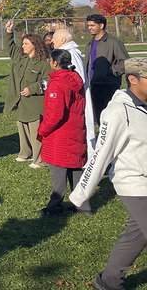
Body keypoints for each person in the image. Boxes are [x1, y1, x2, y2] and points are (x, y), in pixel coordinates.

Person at [69, 57, 147, 290]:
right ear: (132, 79)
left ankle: (109, 281)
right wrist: (80, 194)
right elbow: (100, 155)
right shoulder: (116, 112)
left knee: (137, 234)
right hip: (134, 184)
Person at [35, 49, 90, 217]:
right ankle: (83, 204)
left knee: (59, 171)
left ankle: (55, 207)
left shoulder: (57, 84)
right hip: (75, 130)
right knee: (75, 168)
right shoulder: (75, 79)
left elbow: (55, 115)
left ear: (55, 62)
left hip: (60, 134)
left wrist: (41, 130)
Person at [3, 20, 51, 168]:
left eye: (26, 44)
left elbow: (49, 81)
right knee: (22, 126)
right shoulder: (20, 58)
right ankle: (25, 153)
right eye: (23, 43)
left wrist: (33, 89)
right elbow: (9, 47)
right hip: (21, 102)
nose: (22, 46)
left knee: (36, 131)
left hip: (35, 104)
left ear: (35, 46)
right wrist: (9, 32)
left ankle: (39, 159)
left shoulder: (43, 63)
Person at [52, 28, 96, 153]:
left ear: (63, 40)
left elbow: (79, 78)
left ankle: (89, 159)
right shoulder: (65, 52)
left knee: (84, 126)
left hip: (77, 96)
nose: (52, 42)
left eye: (55, 39)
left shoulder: (71, 53)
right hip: (70, 94)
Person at [85, 14, 129, 125]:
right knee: (99, 118)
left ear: (101, 25)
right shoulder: (89, 44)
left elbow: (125, 62)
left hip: (108, 86)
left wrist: (110, 71)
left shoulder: (113, 42)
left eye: (92, 25)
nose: (89, 28)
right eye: (88, 25)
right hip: (93, 86)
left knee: (111, 119)